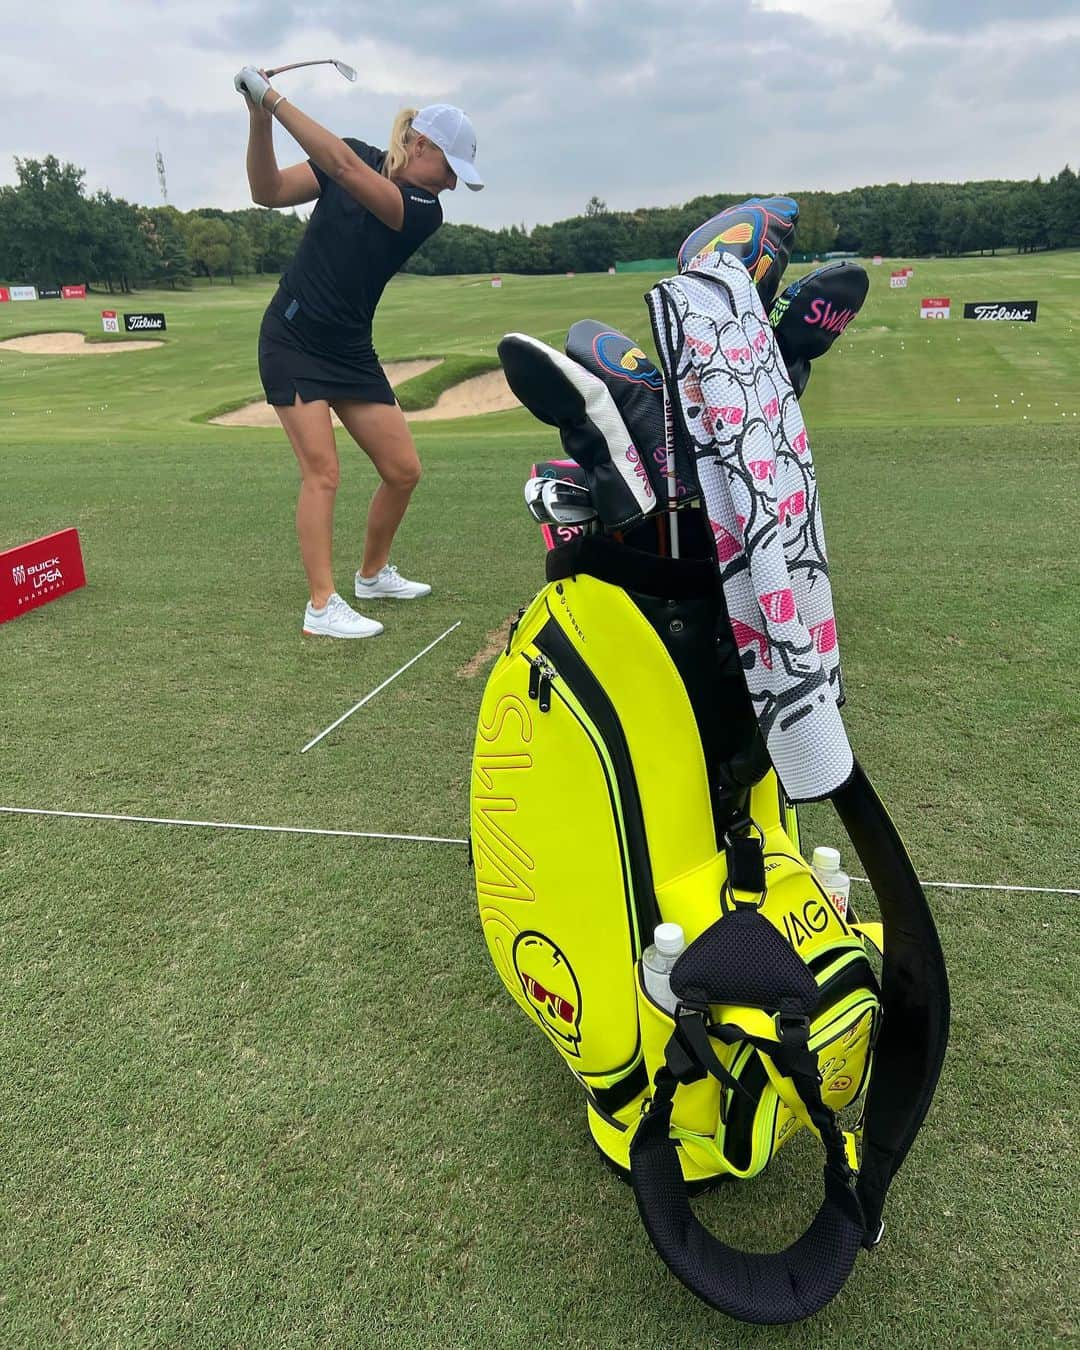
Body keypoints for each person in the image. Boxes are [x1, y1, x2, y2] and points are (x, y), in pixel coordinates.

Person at [235, 65, 484, 638]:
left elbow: (344, 170)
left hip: (348, 349)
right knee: (322, 472)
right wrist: (258, 119)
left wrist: (271, 96)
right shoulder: (352, 155)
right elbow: (266, 191)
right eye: (449, 167)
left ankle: (371, 575)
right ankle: (322, 607)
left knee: (402, 470)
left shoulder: (423, 210)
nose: (450, 183)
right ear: (420, 144)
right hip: (292, 338)